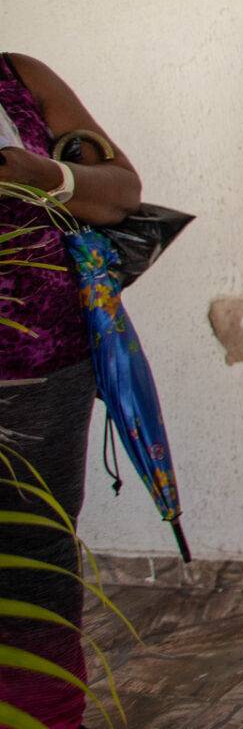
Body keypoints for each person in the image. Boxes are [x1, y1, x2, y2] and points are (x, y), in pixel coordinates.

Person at [0, 55, 142, 729]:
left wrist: (49, 177)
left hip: (43, 374)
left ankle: (47, 713)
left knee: (38, 556)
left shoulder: (20, 81)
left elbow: (120, 190)